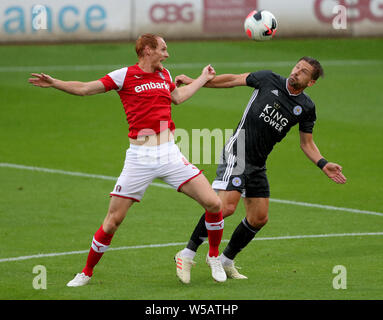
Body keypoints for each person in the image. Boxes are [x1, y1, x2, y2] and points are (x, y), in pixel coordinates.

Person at [28, 34, 227, 286]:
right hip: (139, 158)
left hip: (169, 153)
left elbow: (177, 98)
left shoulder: (165, 75)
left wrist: (202, 78)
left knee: (213, 203)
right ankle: (86, 272)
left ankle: (213, 256)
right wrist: (55, 82)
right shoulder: (124, 76)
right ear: (147, 50)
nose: (167, 54)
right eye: (163, 49)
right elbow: (86, 89)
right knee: (112, 222)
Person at [174, 57, 347, 281]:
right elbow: (231, 80)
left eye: (303, 72)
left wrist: (323, 164)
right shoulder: (268, 79)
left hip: (258, 162)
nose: (296, 72)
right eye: (296, 67)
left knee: (259, 218)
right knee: (224, 207)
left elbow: (307, 143)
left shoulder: (306, 107)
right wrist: (195, 81)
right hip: (238, 151)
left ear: (311, 82)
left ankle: (226, 260)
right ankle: (187, 254)